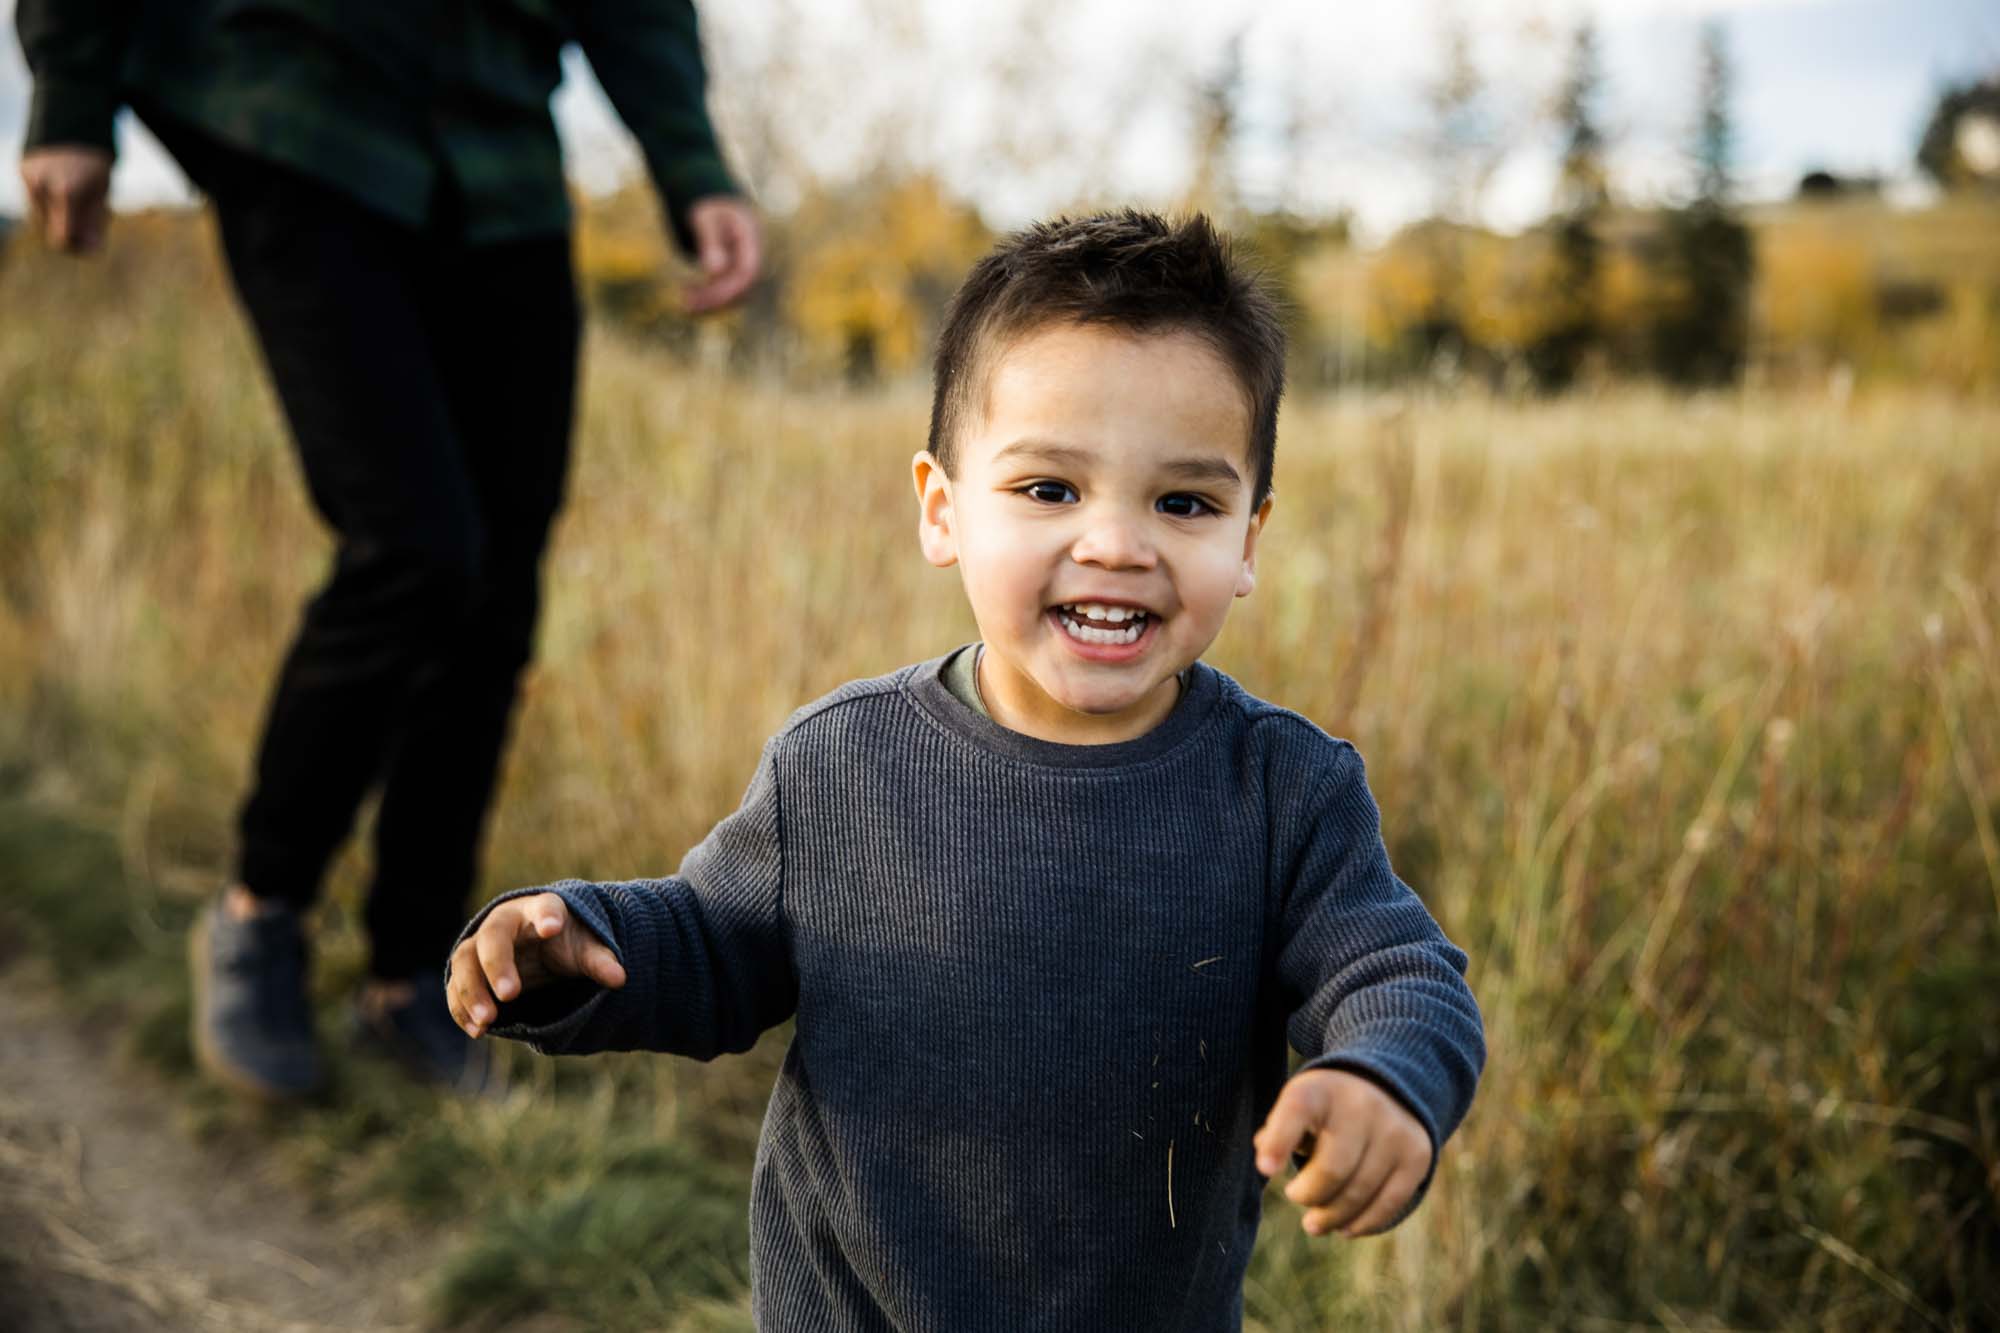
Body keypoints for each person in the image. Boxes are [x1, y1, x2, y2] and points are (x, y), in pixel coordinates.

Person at [444, 211, 1484, 1329]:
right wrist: (573, 945)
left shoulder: (1284, 792)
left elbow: (1398, 973)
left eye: (1182, 502)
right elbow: (711, 942)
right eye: (1049, 489)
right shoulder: (839, 766)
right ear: (942, 509)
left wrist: (1383, 1078)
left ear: (1247, 541)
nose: (1117, 544)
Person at [13, 1, 761, 1098]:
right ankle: (260, 912)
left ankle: (414, 976)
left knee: (499, 587)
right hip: (297, 99)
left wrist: (692, 164)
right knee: (414, 547)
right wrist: (73, 89)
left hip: (499, 157)